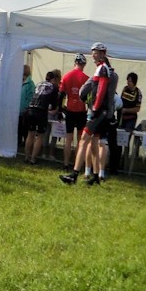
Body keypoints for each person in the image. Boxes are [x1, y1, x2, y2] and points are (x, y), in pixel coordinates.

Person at [60, 43, 117, 185]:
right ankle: (96, 177)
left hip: (98, 112)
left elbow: (101, 89)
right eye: (93, 52)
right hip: (102, 112)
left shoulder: (102, 69)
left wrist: (95, 108)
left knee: (83, 141)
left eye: (95, 53)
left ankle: (74, 175)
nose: (93, 55)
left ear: (102, 54)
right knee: (94, 144)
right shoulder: (104, 69)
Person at [108, 72, 142, 175]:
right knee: (118, 142)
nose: (128, 82)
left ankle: (125, 166)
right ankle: (116, 165)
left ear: (134, 82)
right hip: (121, 119)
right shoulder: (125, 89)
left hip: (130, 120)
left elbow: (137, 109)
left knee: (125, 142)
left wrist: (126, 110)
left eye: (130, 81)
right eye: (127, 80)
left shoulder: (138, 93)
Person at [59, 54, 89, 168]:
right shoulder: (86, 78)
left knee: (68, 139)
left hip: (70, 109)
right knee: (80, 140)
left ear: (74, 63)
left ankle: (66, 164)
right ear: (83, 64)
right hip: (81, 110)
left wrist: (60, 110)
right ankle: (77, 166)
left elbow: (61, 95)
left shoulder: (66, 76)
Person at [24, 71, 60, 164]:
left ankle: (26, 157)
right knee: (40, 135)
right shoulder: (54, 87)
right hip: (41, 111)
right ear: (53, 79)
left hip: (31, 109)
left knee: (30, 133)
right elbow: (54, 104)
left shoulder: (39, 84)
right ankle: (33, 159)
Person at [18, 64, 35, 148]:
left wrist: (26, 108)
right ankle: (19, 143)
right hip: (18, 111)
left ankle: (25, 145)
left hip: (26, 112)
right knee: (19, 129)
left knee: (25, 129)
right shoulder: (20, 82)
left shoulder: (30, 84)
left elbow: (31, 98)